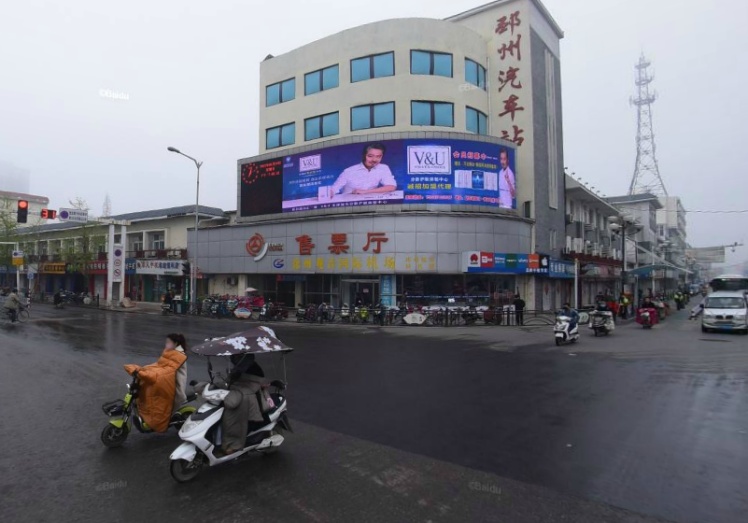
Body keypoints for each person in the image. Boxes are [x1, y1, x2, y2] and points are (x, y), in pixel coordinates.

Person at [217, 354, 270, 456]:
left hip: (250, 394)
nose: (233, 358)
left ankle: (234, 444)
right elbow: (232, 380)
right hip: (242, 388)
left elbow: (251, 382)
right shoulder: (241, 365)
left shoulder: (251, 367)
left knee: (234, 412)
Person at [330, 143, 396, 196]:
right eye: (370, 156)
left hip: (370, 202)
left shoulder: (383, 168)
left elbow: (392, 186)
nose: (374, 160)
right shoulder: (349, 171)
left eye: (378, 156)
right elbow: (333, 189)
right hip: (350, 203)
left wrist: (366, 192)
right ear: (364, 155)